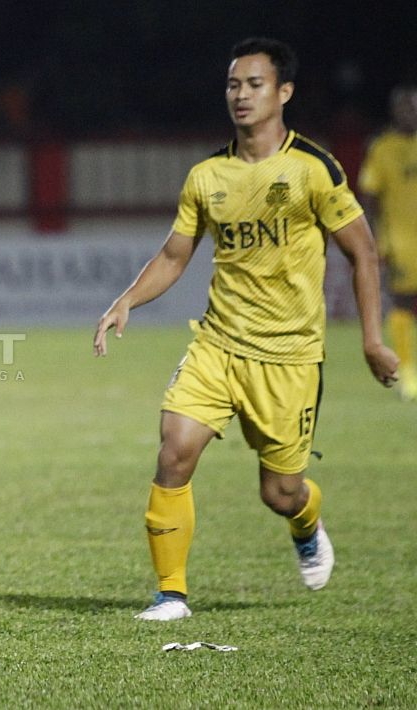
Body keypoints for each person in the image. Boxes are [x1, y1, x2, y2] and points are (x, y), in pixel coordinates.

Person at [93, 38, 399, 621]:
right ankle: (171, 595)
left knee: (279, 493)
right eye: (234, 84)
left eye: (254, 84)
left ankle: (306, 522)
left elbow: (363, 254)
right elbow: (174, 256)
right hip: (217, 344)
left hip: (289, 357)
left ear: (283, 92)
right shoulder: (207, 175)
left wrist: (371, 340)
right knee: (175, 450)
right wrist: (125, 300)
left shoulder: (314, 168)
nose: (241, 95)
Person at [359, 84, 417, 401]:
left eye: (414, 107)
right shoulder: (382, 148)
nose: (411, 113)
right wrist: (375, 239)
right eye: (405, 108)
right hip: (400, 242)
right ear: (395, 112)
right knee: (404, 303)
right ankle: (407, 372)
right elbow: (370, 194)